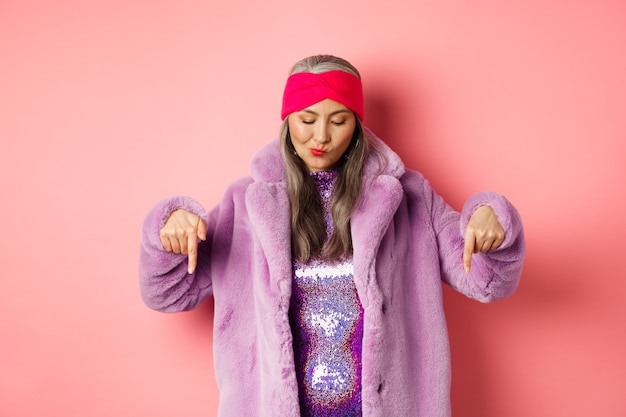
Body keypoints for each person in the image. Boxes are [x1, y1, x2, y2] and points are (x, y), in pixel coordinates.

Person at [139, 54, 525, 417]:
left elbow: (487, 282)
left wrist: (490, 221)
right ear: (287, 121)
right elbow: (168, 293)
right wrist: (169, 231)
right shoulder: (246, 204)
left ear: (356, 124)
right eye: (307, 119)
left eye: (338, 120)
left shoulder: (409, 197)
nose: (320, 136)